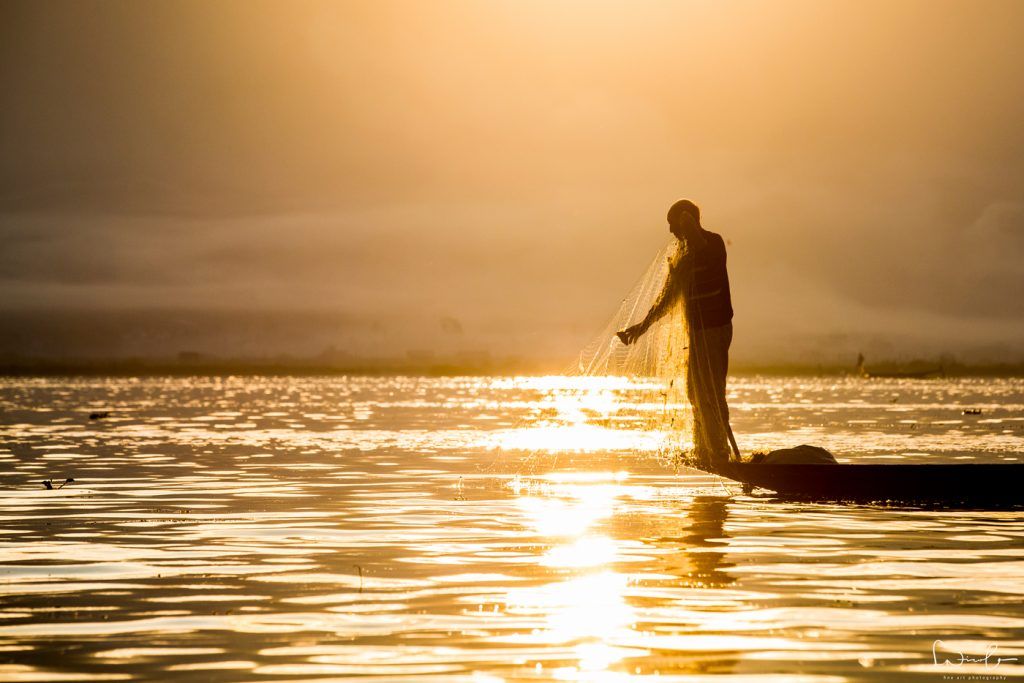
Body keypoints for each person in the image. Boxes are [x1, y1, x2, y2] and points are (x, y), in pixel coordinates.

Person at [616, 199, 738, 469]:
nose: (671, 232)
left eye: (674, 224)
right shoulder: (683, 258)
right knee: (695, 392)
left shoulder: (713, 243)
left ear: (688, 222)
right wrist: (641, 327)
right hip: (698, 333)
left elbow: (702, 249)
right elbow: (667, 299)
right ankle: (706, 449)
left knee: (712, 393)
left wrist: (688, 223)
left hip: (715, 330)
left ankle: (720, 454)